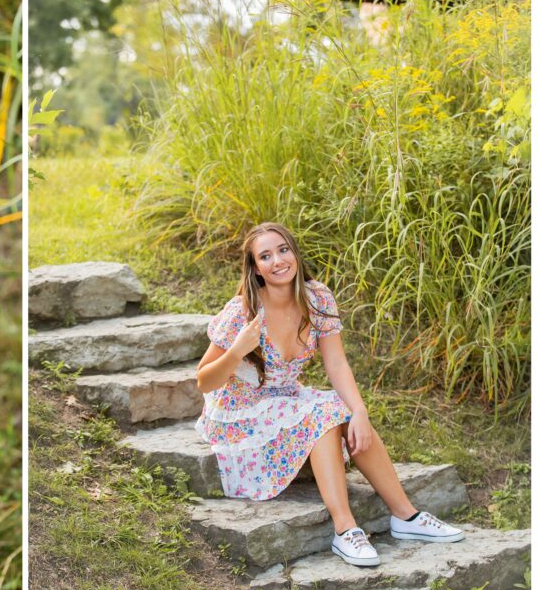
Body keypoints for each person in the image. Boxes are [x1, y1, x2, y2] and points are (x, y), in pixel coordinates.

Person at [195, 222, 464, 567]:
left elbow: (336, 364)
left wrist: (361, 411)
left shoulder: (317, 297)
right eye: (265, 256)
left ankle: (406, 517)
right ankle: (345, 529)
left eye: (283, 249)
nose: (277, 261)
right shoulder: (243, 312)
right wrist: (236, 352)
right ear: (255, 269)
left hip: (286, 397)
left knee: (341, 410)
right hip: (241, 412)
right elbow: (204, 381)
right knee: (322, 414)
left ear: (294, 252)